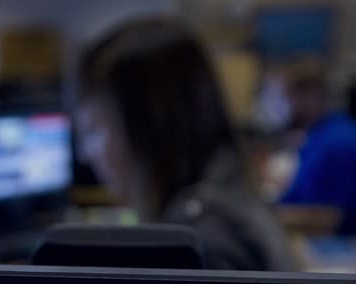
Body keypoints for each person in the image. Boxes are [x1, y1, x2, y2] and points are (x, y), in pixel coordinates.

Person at [76, 18, 295, 271]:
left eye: (95, 130)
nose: (86, 155)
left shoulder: (200, 243)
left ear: (149, 129)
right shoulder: (225, 203)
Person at [280, 61, 356, 235]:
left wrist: (267, 219)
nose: (289, 102)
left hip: (331, 248)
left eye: (292, 94)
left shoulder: (340, 141)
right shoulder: (318, 133)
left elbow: (333, 217)